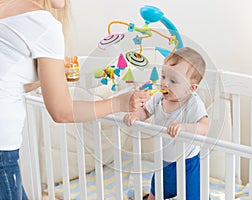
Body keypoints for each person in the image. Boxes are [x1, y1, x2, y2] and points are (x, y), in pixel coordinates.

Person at [0, 0, 150, 199]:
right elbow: (62, 112)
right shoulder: (43, 24)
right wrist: (119, 103)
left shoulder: (7, 11)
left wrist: (50, 76)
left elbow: (11, 79)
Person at [123, 47, 209, 200]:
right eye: (163, 76)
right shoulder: (158, 98)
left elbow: (204, 127)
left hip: (188, 164)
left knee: (194, 195)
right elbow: (145, 112)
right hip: (163, 162)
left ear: (191, 88)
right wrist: (136, 115)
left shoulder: (193, 103)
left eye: (173, 81)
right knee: (156, 193)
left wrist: (184, 128)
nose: (164, 84)